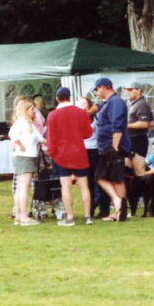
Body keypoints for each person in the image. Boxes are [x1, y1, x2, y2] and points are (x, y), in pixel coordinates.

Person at [46, 87, 93, 227]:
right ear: (70, 97)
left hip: (62, 154)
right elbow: (88, 133)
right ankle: (87, 216)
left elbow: (51, 138)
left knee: (65, 187)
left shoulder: (53, 115)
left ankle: (70, 217)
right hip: (79, 152)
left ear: (57, 98)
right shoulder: (81, 113)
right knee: (84, 186)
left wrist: (51, 153)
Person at [93, 78, 131, 222]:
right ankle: (118, 205)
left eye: (96, 89)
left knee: (116, 179)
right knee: (101, 177)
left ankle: (120, 210)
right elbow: (97, 107)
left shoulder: (116, 102)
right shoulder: (108, 102)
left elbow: (117, 125)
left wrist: (115, 147)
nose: (96, 92)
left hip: (114, 147)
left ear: (103, 87)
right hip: (106, 147)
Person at [10, 97, 44, 226]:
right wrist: (21, 146)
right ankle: (23, 216)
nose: (34, 112)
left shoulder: (29, 124)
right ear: (25, 110)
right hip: (25, 157)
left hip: (27, 156)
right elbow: (12, 135)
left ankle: (19, 215)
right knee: (24, 186)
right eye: (32, 109)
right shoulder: (21, 123)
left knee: (21, 186)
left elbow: (39, 138)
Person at [125, 84, 154, 158]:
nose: (128, 92)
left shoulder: (141, 104)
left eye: (130, 89)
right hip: (133, 139)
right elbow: (151, 122)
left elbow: (144, 124)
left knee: (138, 164)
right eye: (127, 90)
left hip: (138, 139)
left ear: (138, 91)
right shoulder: (136, 104)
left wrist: (125, 125)